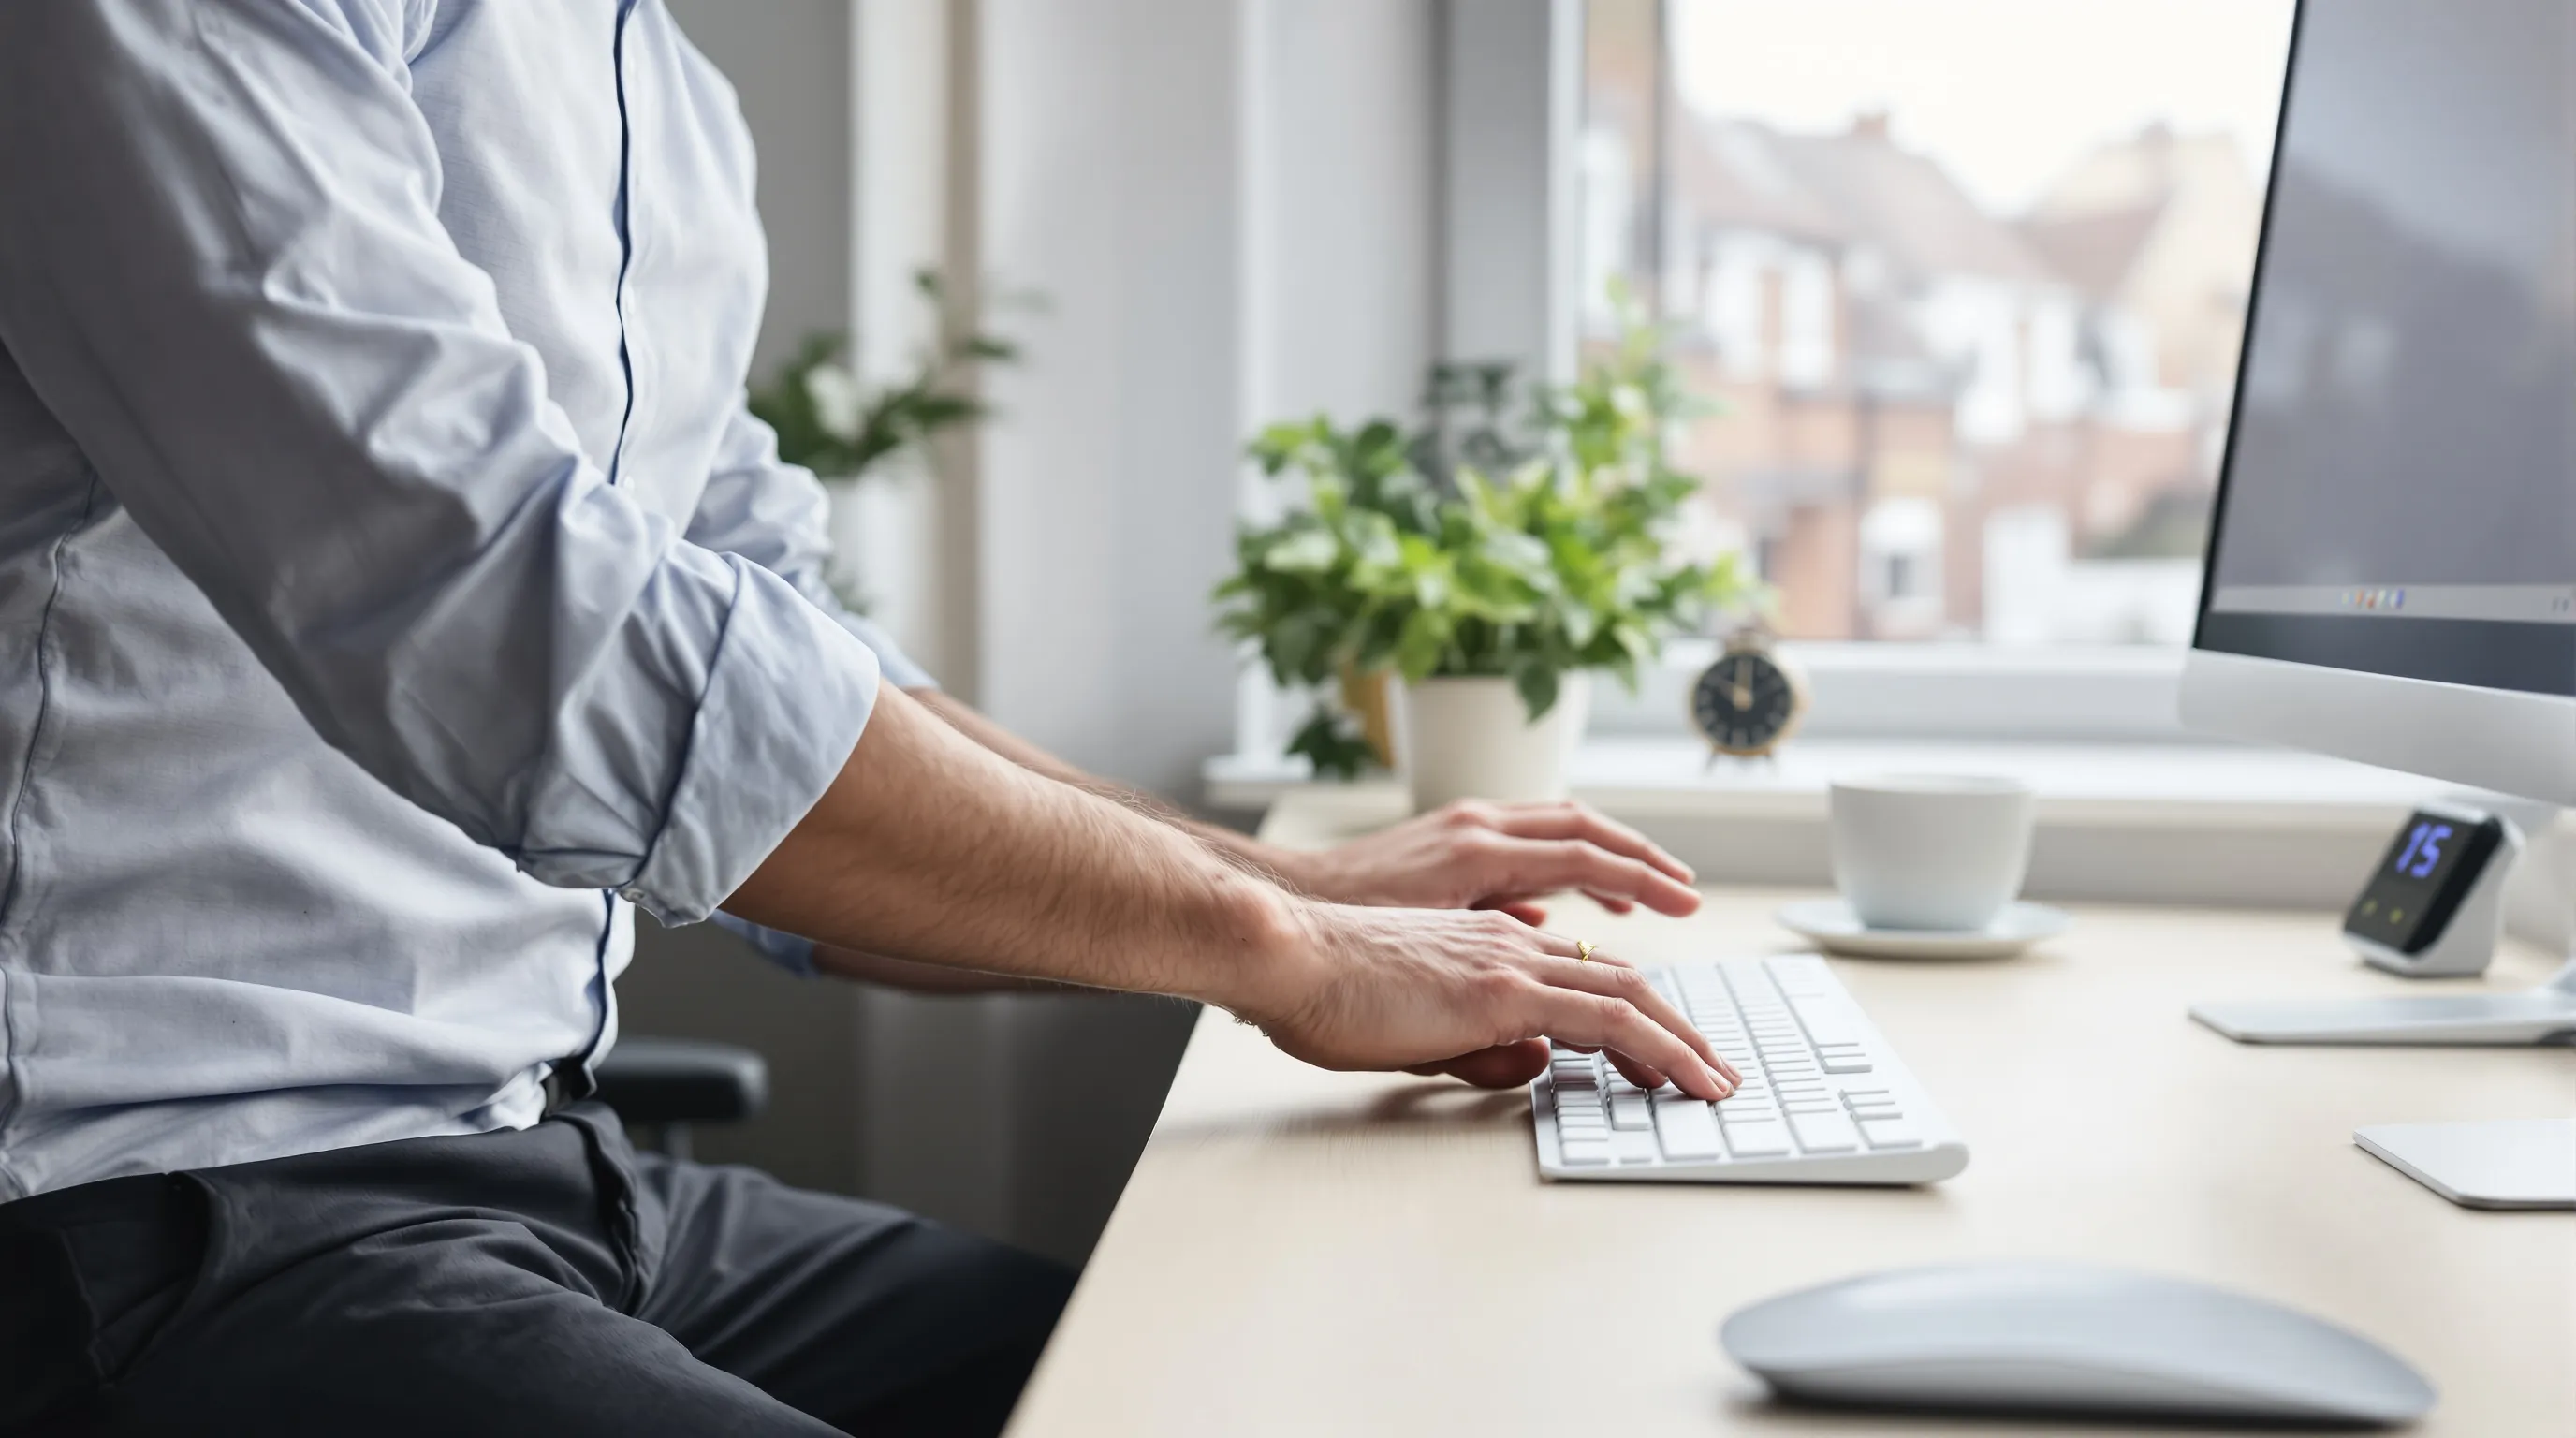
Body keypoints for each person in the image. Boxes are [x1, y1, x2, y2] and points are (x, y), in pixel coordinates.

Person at [0, 3, 1734, 1434]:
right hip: (154, 1211)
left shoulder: (652, 92)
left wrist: (1309, 889)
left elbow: (788, 665)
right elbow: (514, 634)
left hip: (537, 1165)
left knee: (1202, 1386)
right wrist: (1266, 939)